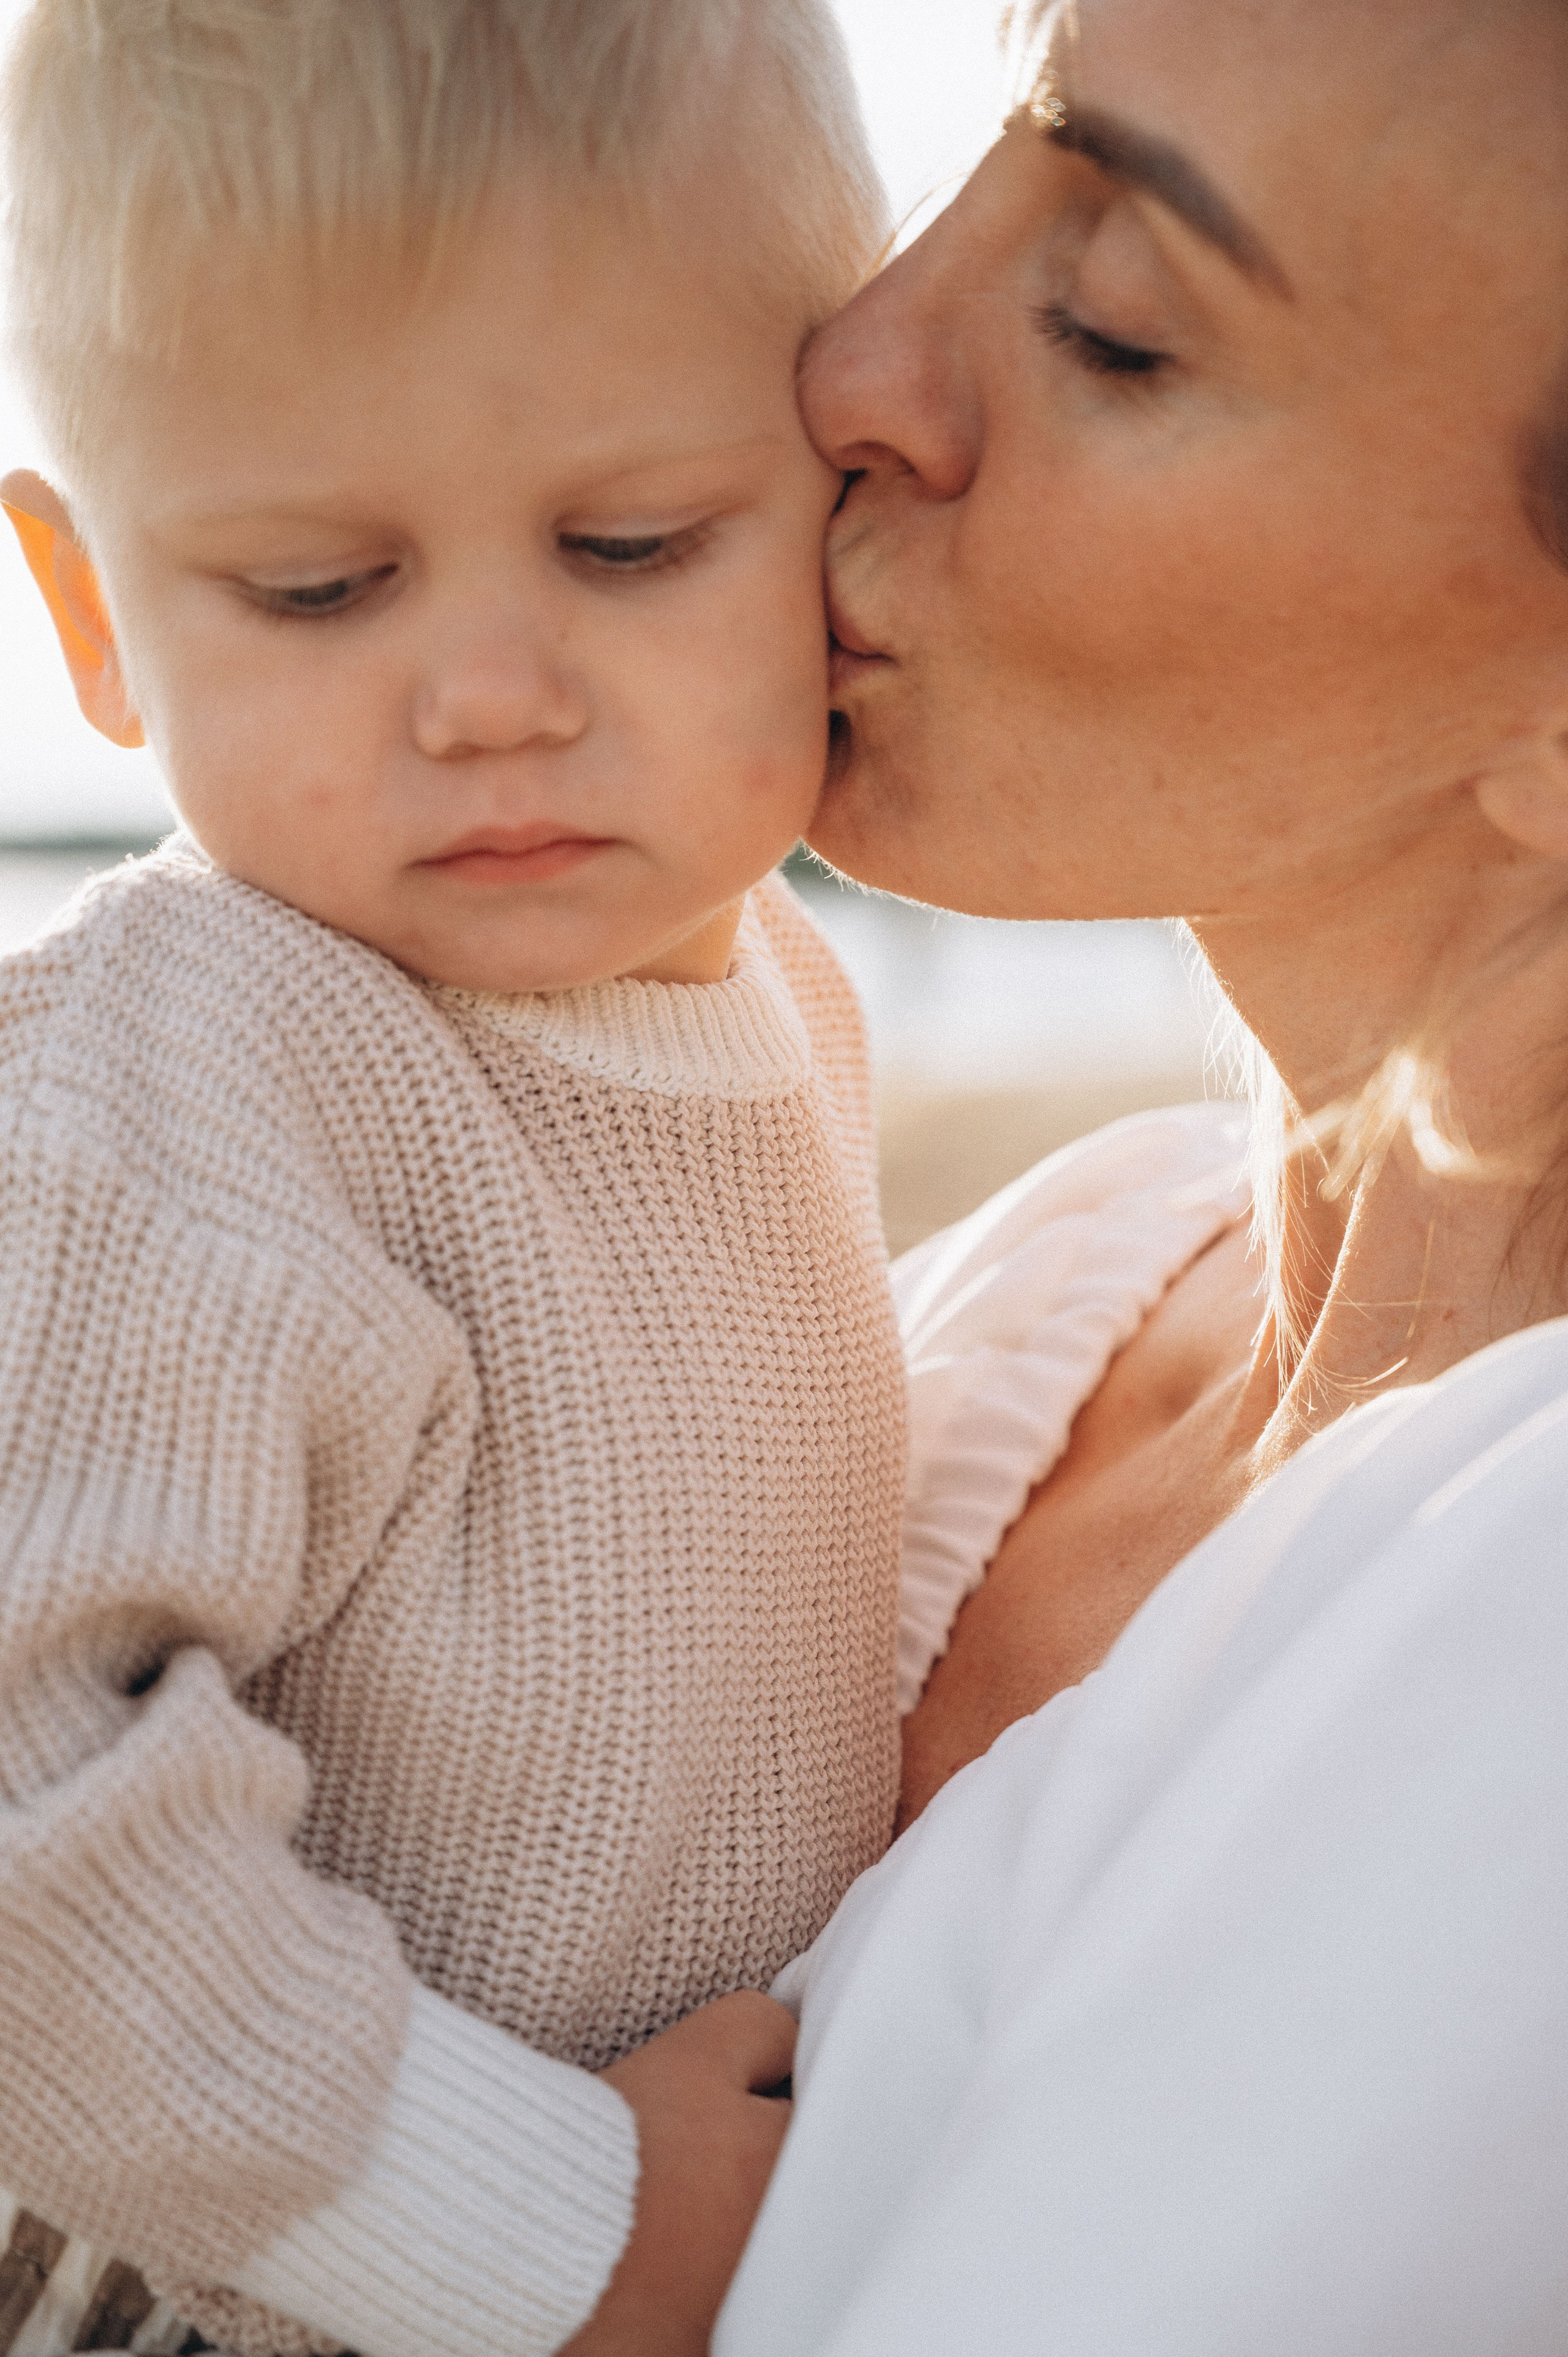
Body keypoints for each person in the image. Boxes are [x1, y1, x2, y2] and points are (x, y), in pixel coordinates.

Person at [0, 5, 902, 2353]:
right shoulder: (200, 1076)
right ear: (93, 617)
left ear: (850, 513)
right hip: (252, 2293)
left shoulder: (782, 1003)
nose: (489, 692)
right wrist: (533, 2231)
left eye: (630, 543)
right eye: (318, 589)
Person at [714, 0, 1568, 2347]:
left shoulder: (1527, 1671)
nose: (856, 358)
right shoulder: (1066, 1278)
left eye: (1110, 327)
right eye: (978, 152)